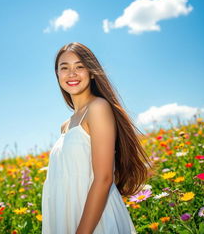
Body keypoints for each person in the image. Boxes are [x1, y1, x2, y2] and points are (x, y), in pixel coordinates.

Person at [41, 42, 152, 234]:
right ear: (57, 74)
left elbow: (104, 178)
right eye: (64, 68)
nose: (72, 73)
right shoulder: (65, 125)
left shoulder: (97, 108)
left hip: (94, 221)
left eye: (80, 66)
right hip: (67, 216)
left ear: (92, 72)